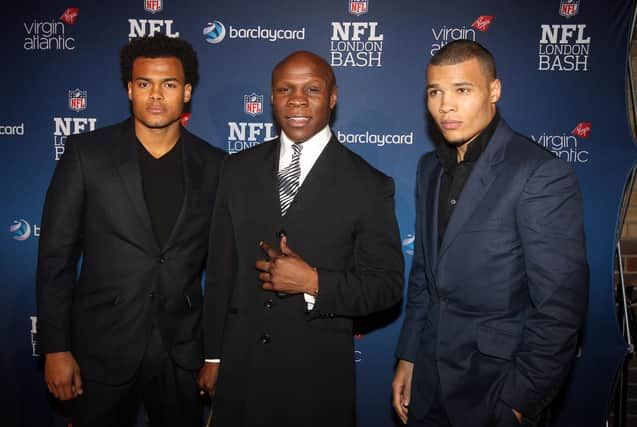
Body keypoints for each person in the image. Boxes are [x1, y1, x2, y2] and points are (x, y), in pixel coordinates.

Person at [198, 50, 404, 427]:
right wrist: (213, 357)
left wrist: (314, 282)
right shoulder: (236, 169)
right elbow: (220, 273)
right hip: (240, 375)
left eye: (312, 88)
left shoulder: (369, 185)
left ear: (333, 97)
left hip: (315, 383)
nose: (297, 99)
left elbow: (387, 286)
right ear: (272, 97)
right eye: (284, 89)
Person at [392, 40, 588, 427]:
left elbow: (559, 308)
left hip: (495, 389)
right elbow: (426, 276)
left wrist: (519, 402)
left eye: (462, 90)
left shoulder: (539, 173)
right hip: (429, 384)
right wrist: (409, 355)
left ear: (494, 91)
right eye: (435, 92)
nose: (445, 105)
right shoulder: (429, 169)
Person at [36, 34, 225, 427]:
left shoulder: (216, 166)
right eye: (144, 84)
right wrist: (56, 348)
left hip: (181, 354)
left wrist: (215, 355)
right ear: (129, 89)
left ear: (186, 92)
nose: (156, 95)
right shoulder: (86, 155)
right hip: (100, 350)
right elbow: (56, 258)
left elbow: (225, 269)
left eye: (169, 84)